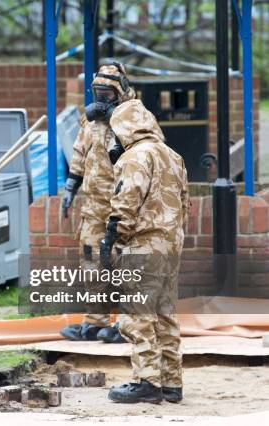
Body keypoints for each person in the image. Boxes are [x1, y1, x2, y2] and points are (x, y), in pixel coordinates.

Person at [99, 98, 189, 404]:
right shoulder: (173, 156)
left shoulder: (135, 156)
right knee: (165, 312)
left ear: (124, 127)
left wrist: (110, 240)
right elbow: (184, 203)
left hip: (143, 245)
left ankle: (147, 381)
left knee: (137, 314)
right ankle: (171, 383)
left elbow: (126, 202)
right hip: (170, 245)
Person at [59, 62, 133, 343]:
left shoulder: (136, 118)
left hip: (123, 206)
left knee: (128, 262)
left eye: (109, 94)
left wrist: (117, 116)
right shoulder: (89, 121)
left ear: (121, 92)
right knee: (91, 261)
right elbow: (79, 152)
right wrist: (70, 187)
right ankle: (94, 321)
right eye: (99, 93)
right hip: (93, 207)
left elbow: (150, 151)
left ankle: (128, 325)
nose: (103, 100)